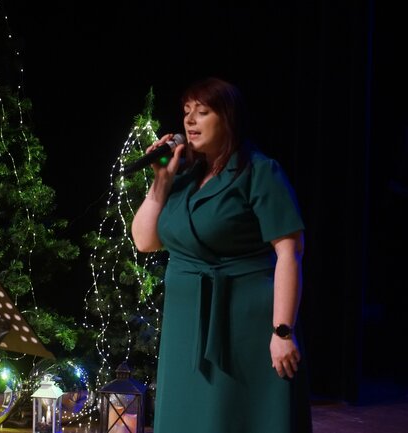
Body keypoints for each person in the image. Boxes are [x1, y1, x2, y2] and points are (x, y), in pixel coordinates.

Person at [131, 77, 312, 432]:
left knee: (240, 418)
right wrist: (161, 180)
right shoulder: (183, 176)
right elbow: (144, 240)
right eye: (186, 112)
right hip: (185, 326)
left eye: (202, 112)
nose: (189, 120)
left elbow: (290, 253)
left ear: (227, 118)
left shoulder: (260, 171)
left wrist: (283, 331)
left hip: (244, 323)